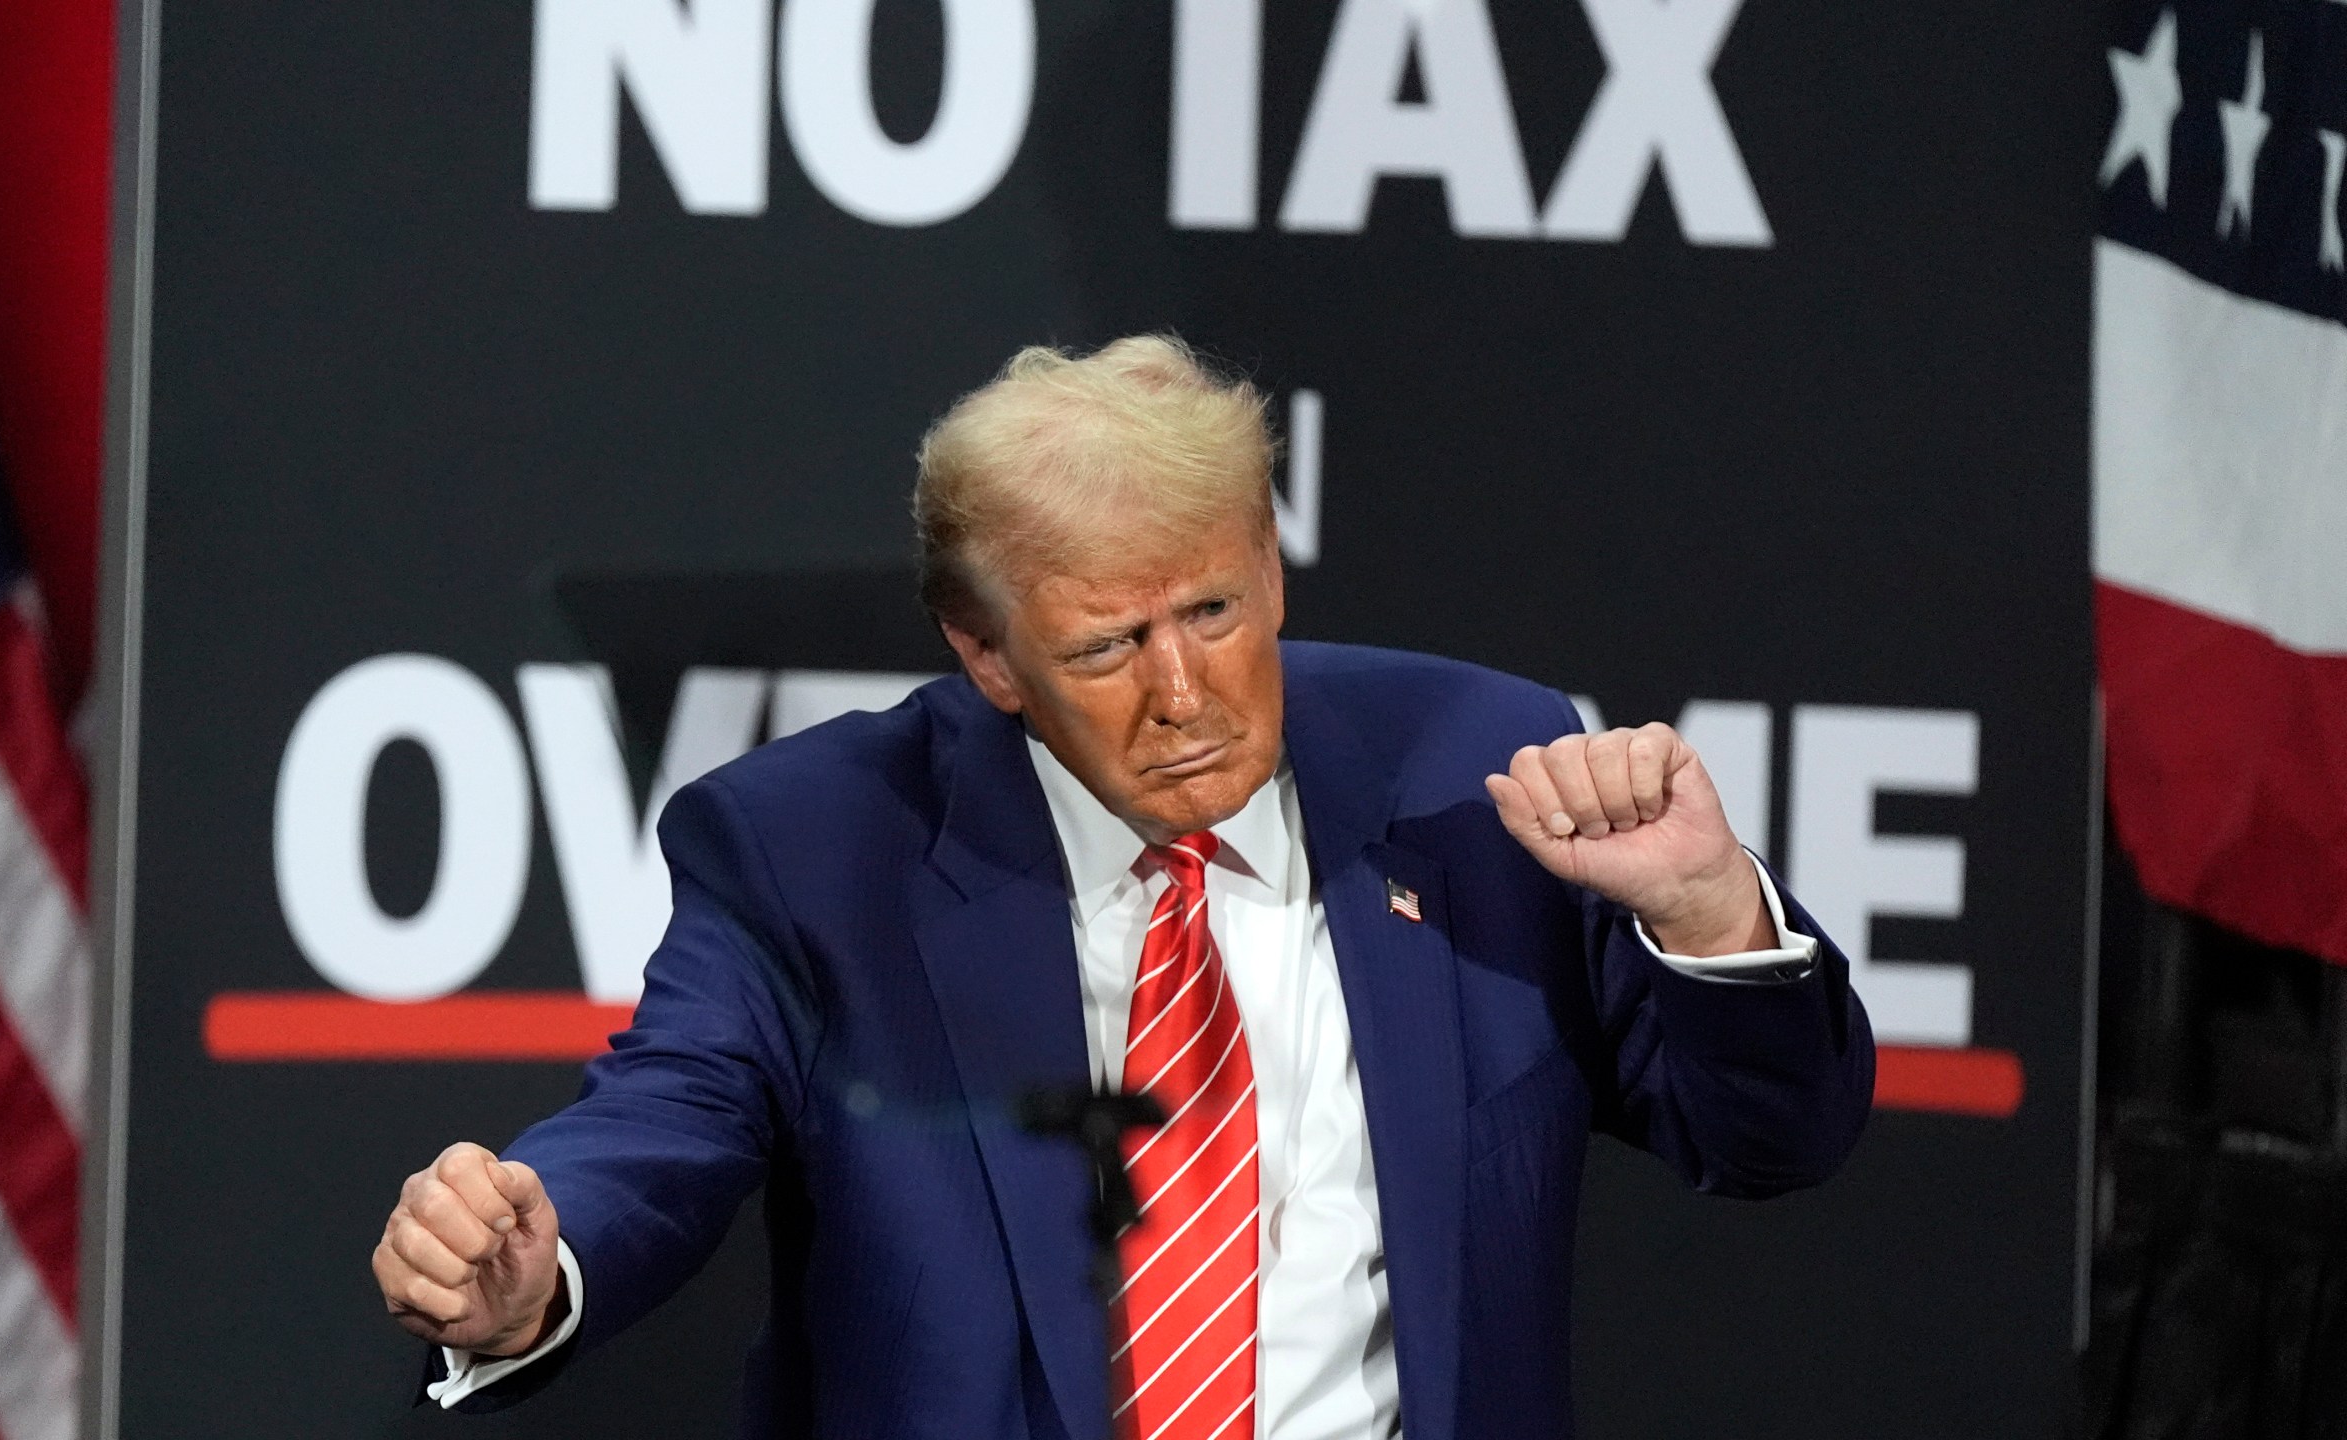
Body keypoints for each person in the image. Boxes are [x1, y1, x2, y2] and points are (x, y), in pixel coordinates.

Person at [371, 336, 1874, 1440]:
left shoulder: (1482, 774)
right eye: (1104, 649)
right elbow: (668, 1115)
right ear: (984, 654)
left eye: (1216, 611)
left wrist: (1711, 916)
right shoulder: (816, 849)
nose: (1186, 694)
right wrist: (535, 1265)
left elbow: (1774, 1143)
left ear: (1272, 570)